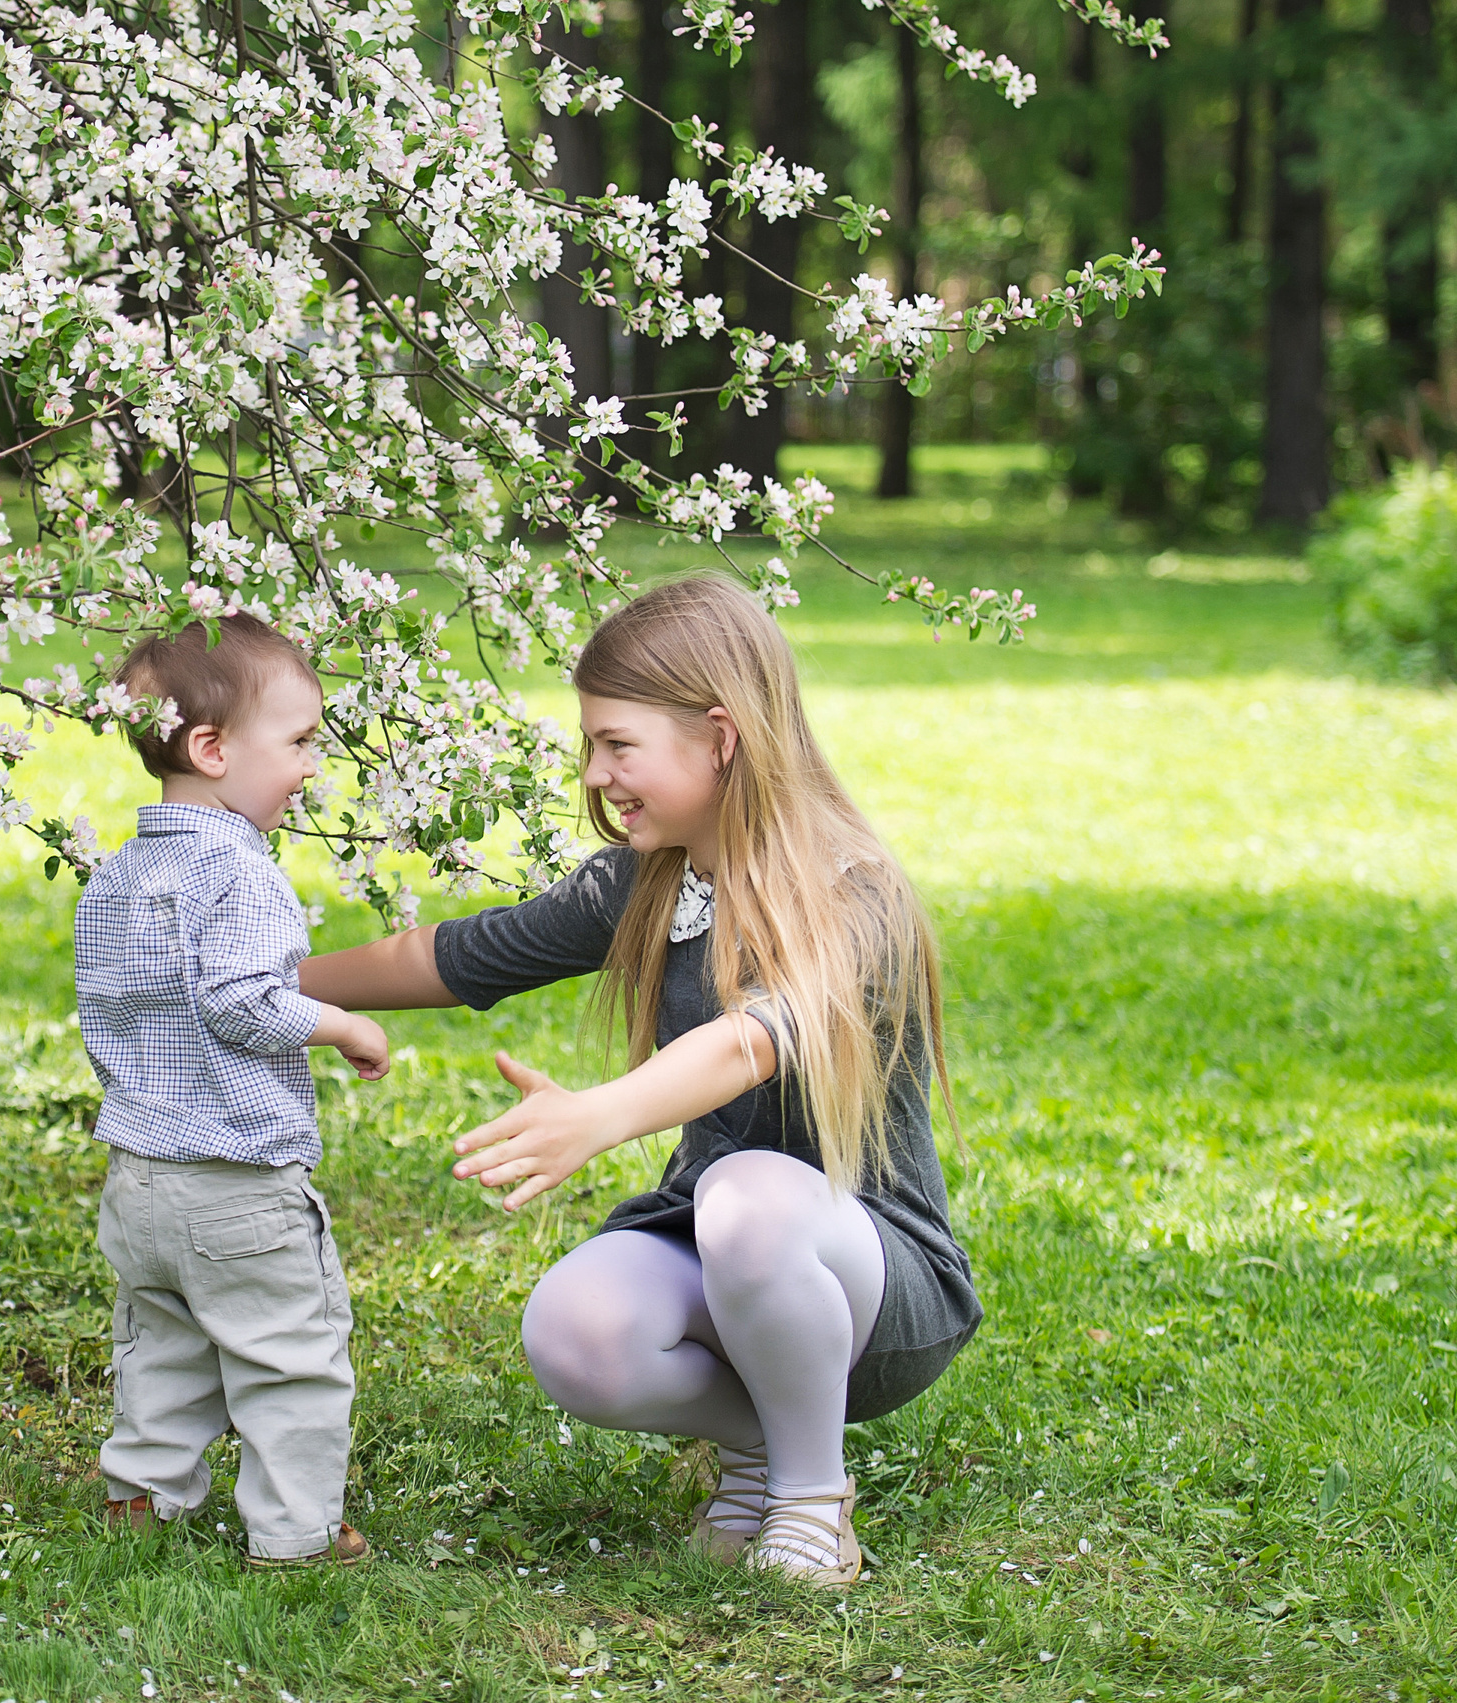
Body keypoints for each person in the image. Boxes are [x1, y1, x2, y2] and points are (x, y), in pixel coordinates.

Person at [297, 575, 978, 1587]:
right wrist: (266, 984)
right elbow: (453, 955)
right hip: (718, 1236)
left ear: (719, 735)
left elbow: (750, 1042)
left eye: (619, 744)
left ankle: (807, 1500)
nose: (596, 773)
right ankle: (760, 1444)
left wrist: (600, 1115)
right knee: (575, 1333)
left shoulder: (852, 890)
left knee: (746, 1191)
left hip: (879, 1284)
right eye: (591, 745)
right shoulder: (648, 881)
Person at [76, 612, 392, 1567]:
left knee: (164, 1344)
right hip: (237, 1180)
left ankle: (142, 1497)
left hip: (138, 1178)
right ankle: (295, 1532)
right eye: (297, 743)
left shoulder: (121, 873)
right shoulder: (240, 870)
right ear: (211, 749)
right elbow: (242, 1003)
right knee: (289, 1354)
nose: (309, 768)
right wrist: (341, 1023)